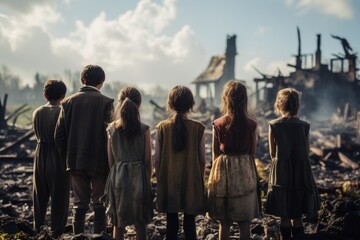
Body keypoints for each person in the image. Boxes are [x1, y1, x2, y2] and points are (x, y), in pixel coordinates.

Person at [55, 65, 114, 234]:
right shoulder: (107, 103)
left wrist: (67, 156)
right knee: (99, 203)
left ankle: (77, 236)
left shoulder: (67, 103)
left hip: (75, 160)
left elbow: (58, 136)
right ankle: (99, 236)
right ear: (101, 82)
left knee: (79, 204)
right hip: (99, 161)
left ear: (82, 80)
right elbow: (111, 135)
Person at [207, 80, 260, 240]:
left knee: (225, 222)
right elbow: (252, 153)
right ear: (245, 100)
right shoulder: (252, 125)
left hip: (223, 172)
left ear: (225, 99)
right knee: (244, 222)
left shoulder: (218, 124)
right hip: (245, 171)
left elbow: (215, 154)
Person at [265, 88, 320, 240]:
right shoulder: (304, 125)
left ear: (278, 105)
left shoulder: (273, 125)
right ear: (297, 106)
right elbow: (307, 151)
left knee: (284, 213)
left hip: (282, 172)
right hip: (301, 172)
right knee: (297, 215)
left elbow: (272, 153)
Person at [155, 85, 206, 240]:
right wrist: (200, 180)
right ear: (191, 105)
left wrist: (160, 179)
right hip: (191, 182)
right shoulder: (199, 128)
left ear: (170, 105)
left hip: (169, 182)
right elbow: (203, 160)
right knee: (190, 225)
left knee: (171, 223)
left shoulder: (162, 127)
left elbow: (157, 160)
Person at [103, 87, 153, 240]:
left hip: (118, 175)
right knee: (140, 221)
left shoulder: (111, 129)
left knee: (118, 222)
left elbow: (110, 159)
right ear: (139, 105)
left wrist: (115, 172)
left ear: (119, 103)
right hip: (139, 176)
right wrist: (148, 177)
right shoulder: (144, 129)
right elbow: (147, 159)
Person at [32, 80, 69, 237]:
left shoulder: (37, 112)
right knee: (59, 197)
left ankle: (38, 229)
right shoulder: (63, 112)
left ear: (45, 94)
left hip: (40, 153)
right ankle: (56, 232)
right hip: (58, 155)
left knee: (39, 195)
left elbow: (37, 134)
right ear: (63, 96)